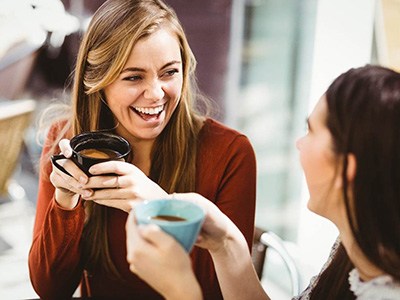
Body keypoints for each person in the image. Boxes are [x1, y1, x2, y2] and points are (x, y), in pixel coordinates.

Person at [28, 0, 257, 299]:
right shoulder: (67, 140)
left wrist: (162, 208)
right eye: (134, 77)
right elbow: (50, 289)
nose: (155, 93)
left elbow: (217, 291)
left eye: (169, 72)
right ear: (100, 81)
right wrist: (65, 201)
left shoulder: (230, 153)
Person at [126, 65, 400, 299]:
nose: (300, 144)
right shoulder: (357, 250)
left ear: (346, 168)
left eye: (311, 132)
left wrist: (180, 289)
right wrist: (226, 243)